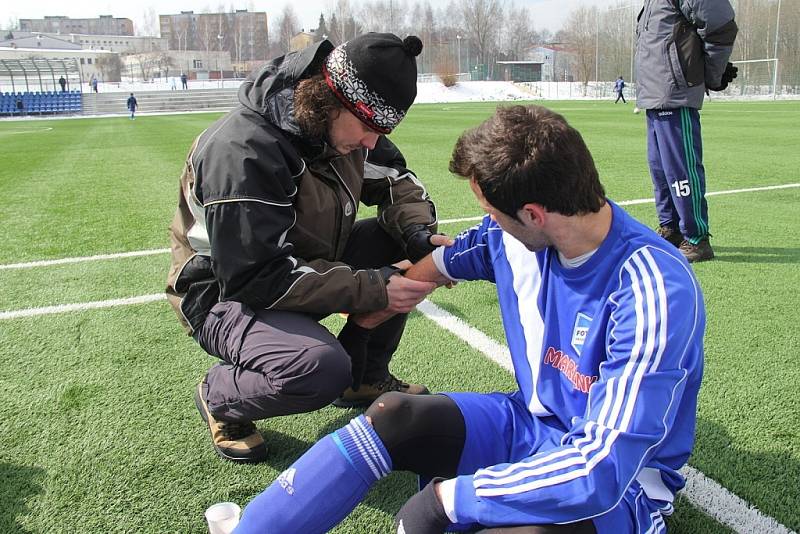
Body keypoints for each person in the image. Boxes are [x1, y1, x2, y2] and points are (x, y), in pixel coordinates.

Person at [232, 105, 707, 534]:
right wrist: (370, 315)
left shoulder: (652, 287)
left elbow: (601, 470)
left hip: (619, 486)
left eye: (491, 213)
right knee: (395, 416)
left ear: (533, 214)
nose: (487, 225)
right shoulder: (512, 238)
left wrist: (445, 501)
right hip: (528, 424)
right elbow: (444, 262)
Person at [166, 33, 446, 464]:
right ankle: (220, 395)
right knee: (319, 367)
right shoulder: (243, 152)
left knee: (403, 247)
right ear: (328, 98)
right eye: (370, 127)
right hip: (224, 295)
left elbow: (395, 181)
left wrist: (418, 236)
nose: (373, 141)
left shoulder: (340, 124)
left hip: (297, 264)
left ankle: (365, 377)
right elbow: (256, 277)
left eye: (382, 131)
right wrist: (374, 287)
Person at [635, 0, 738, 262]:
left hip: (675, 92)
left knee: (681, 170)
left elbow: (721, 23)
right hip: (655, 94)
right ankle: (671, 229)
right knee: (660, 170)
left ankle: (696, 237)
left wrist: (712, 75)